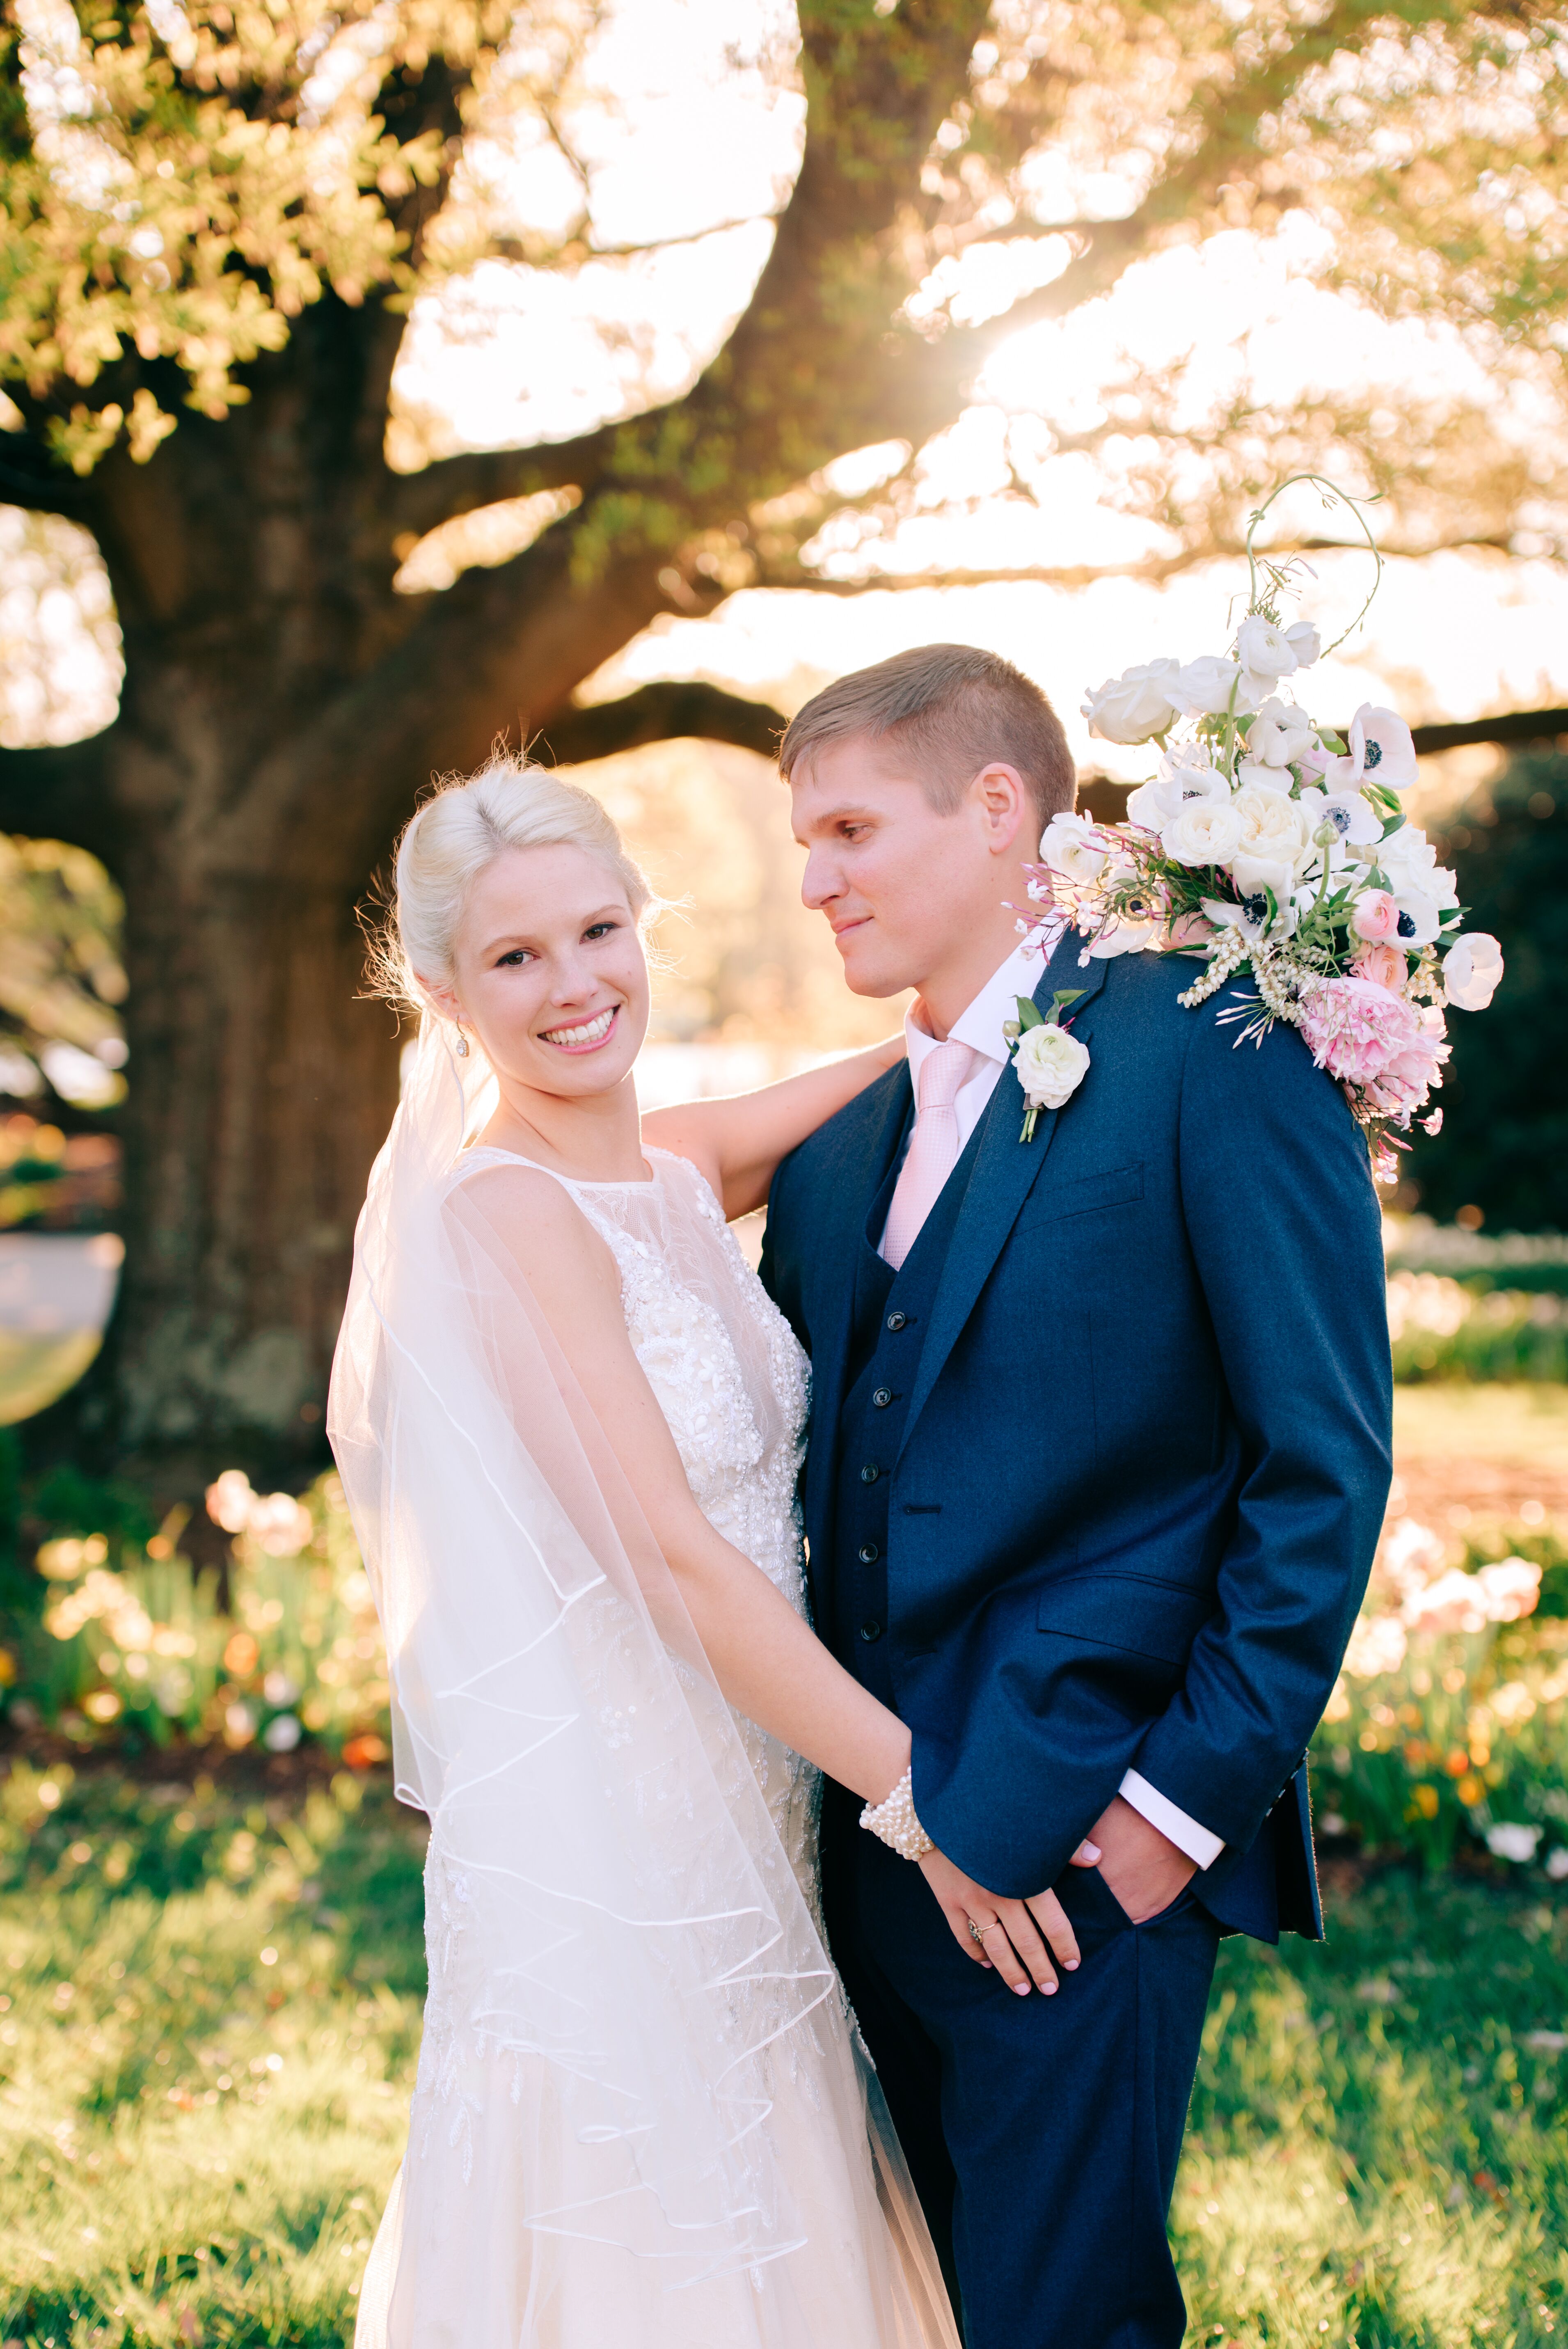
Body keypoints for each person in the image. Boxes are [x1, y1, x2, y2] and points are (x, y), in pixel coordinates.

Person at [327, 753, 1088, 2349]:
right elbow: (669, 1561)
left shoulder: (668, 1172)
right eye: (513, 958)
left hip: (746, 1811)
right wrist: (924, 1805)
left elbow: (907, 1072)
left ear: (640, 922)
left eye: (597, 930)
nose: (571, 984)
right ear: (444, 993)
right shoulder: (500, 1217)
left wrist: (1056, 963)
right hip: (614, 1845)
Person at [762, 643, 1394, 2349]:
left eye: (845, 831)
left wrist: (1168, 1817)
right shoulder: (835, 1144)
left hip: (1088, 1851)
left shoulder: (1210, 1048)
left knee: (1061, 2322)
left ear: (993, 812)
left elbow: (1316, 1468)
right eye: (799, 844)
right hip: (868, 1852)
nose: (812, 883)